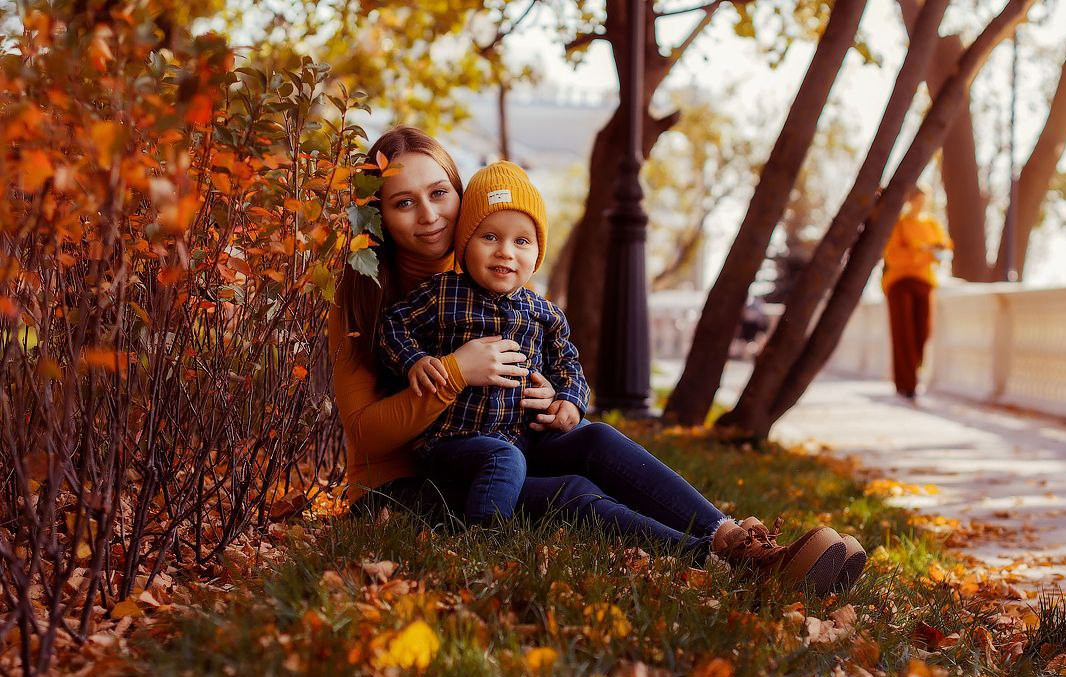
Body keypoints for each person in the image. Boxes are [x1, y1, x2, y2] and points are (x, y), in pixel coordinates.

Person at [329, 125, 865, 595]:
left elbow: (545, 351)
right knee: (574, 493)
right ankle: (724, 563)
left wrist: (552, 396)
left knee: (595, 439)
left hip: (501, 445)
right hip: (407, 486)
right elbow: (366, 435)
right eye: (403, 203)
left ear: (460, 197)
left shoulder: (485, 268)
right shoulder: (362, 298)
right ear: (378, 216)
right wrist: (455, 372)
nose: (428, 215)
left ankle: (734, 540)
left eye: (439, 193)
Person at [377, 161, 590, 524]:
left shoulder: (545, 313)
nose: (505, 251)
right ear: (465, 244)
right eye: (490, 237)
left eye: (521, 241)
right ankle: (482, 537)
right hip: (453, 440)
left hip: (521, 437)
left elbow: (568, 365)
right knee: (504, 459)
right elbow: (392, 324)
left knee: (578, 444)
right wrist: (415, 360)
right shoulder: (443, 294)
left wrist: (570, 399)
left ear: (537, 253)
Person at [881, 187, 953, 400]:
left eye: (924, 201)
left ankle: (913, 374)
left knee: (923, 333)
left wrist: (925, 252)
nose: (921, 205)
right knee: (903, 333)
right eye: (917, 201)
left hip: (924, 282)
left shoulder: (931, 224)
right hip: (899, 282)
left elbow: (945, 249)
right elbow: (893, 256)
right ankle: (906, 384)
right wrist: (922, 253)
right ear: (909, 201)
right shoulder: (898, 223)